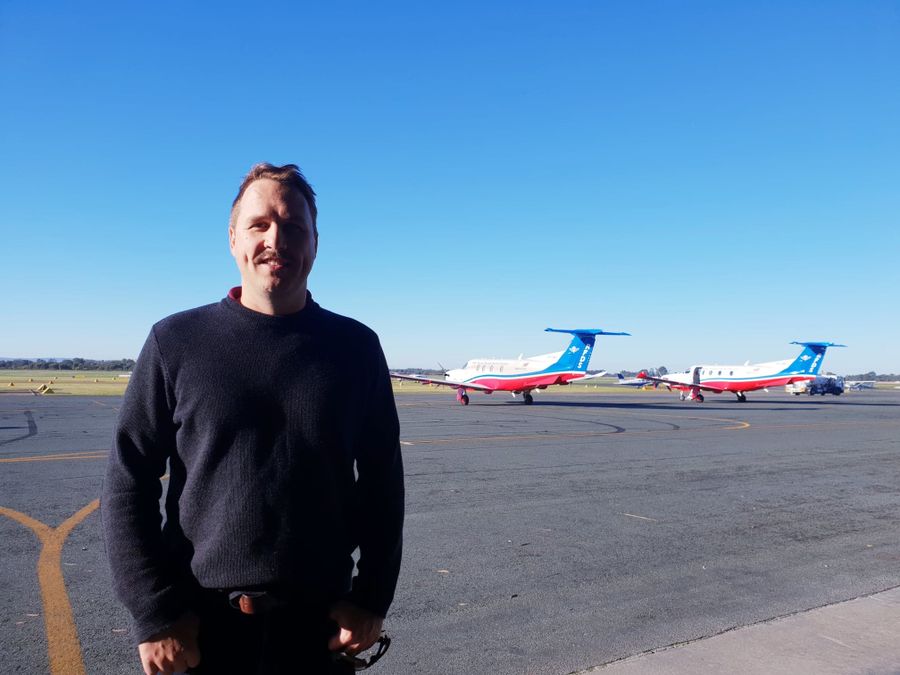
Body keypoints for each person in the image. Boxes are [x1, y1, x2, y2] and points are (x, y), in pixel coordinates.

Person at [102, 163, 404, 674]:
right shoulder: (175, 342)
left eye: (293, 227)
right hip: (199, 630)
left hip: (319, 631)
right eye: (259, 224)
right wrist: (155, 614)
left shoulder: (355, 348)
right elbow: (127, 480)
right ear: (233, 237)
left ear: (314, 241)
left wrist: (371, 600)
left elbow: (382, 485)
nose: (276, 239)